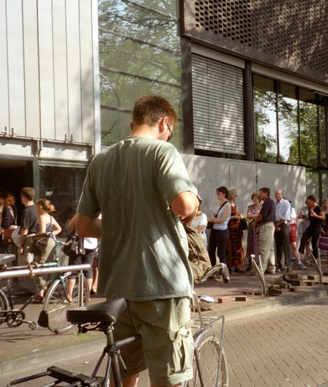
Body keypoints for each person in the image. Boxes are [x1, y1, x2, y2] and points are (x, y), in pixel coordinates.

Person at [75, 95, 200, 387]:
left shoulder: (101, 161)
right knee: (169, 377)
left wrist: (124, 225)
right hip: (161, 284)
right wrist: (194, 202)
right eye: (170, 131)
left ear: (133, 124)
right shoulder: (162, 151)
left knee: (125, 373)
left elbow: (82, 225)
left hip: (118, 288)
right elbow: (184, 205)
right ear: (164, 123)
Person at [32, 198, 62, 300]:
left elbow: (42, 232)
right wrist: (51, 234)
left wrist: (34, 237)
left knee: (41, 265)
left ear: (40, 206)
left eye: (37, 205)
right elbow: (59, 228)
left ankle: (41, 293)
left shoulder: (42, 217)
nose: (35, 207)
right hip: (51, 242)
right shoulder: (50, 217)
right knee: (49, 265)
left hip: (44, 243)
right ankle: (48, 289)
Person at [66, 214, 98, 299]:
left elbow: (71, 224)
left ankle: (69, 294)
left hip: (79, 244)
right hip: (92, 243)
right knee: (88, 268)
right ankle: (86, 295)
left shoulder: (83, 211)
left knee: (73, 267)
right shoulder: (100, 214)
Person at [17, 187, 39, 292]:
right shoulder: (37, 209)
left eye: (21, 196)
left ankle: (32, 289)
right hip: (37, 240)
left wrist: (20, 245)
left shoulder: (26, 212)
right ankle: (37, 288)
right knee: (35, 264)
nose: (20, 198)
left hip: (28, 241)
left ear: (24, 198)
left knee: (27, 264)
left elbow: (24, 231)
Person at [252, 187, 276, 274]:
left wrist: (255, 222)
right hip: (269, 226)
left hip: (266, 226)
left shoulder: (267, 202)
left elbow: (262, 215)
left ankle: (261, 269)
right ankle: (271, 267)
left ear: (266, 193)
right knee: (270, 248)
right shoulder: (270, 202)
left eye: (261, 193)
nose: (260, 195)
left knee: (263, 248)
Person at [207, 186, 231, 270]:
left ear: (224, 194)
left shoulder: (227, 205)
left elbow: (223, 220)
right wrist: (211, 219)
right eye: (217, 193)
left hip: (222, 230)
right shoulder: (217, 203)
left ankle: (223, 272)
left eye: (219, 193)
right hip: (214, 229)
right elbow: (214, 214)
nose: (217, 195)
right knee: (211, 250)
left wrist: (211, 220)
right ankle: (212, 270)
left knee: (221, 252)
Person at [298, 195, 324, 262]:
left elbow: (323, 217)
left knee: (314, 242)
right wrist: (305, 217)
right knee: (304, 237)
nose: (307, 203)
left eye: (309, 201)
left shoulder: (318, 208)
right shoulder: (310, 208)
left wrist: (316, 215)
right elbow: (311, 218)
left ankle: (315, 257)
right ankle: (301, 252)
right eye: (307, 202)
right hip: (311, 226)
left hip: (317, 227)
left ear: (313, 201)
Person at [225, 189, 245, 273]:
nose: (236, 197)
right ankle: (229, 266)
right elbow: (225, 218)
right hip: (230, 229)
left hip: (237, 230)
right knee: (229, 248)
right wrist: (234, 217)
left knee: (238, 248)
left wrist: (240, 216)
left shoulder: (234, 205)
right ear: (231, 196)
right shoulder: (227, 205)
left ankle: (237, 266)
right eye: (235, 195)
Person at [274, 189, 293, 271]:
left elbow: (286, 216)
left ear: (282, 194)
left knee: (286, 245)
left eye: (278, 194)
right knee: (278, 245)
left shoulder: (286, 203)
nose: (277, 195)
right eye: (276, 194)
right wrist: (275, 225)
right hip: (276, 224)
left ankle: (289, 265)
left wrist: (278, 224)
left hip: (283, 224)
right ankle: (280, 264)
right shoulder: (275, 204)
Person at [245, 192, 262, 271]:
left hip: (259, 228)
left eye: (256, 198)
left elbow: (262, 216)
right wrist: (257, 215)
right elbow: (248, 215)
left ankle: (258, 264)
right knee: (251, 245)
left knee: (258, 245)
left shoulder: (262, 207)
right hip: (251, 228)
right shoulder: (250, 206)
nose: (255, 200)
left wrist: (254, 216)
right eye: (254, 198)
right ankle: (250, 265)